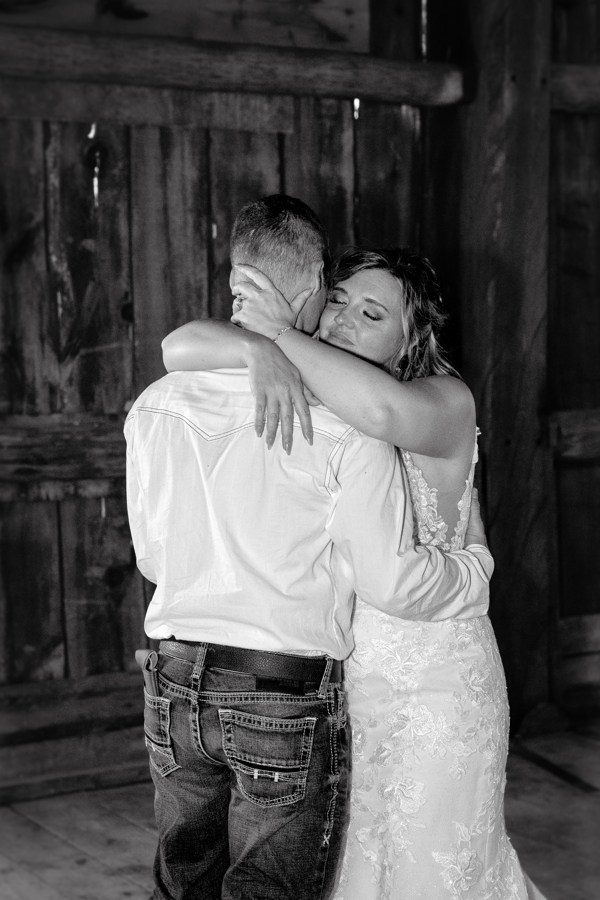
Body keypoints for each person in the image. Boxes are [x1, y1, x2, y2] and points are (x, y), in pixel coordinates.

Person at [126, 194, 494, 900]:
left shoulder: (157, 402)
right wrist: (262, 344)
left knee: (189, 880)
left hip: (407, 677)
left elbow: (151, 557)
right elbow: (389, 579)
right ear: (314, 295)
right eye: (339, 301)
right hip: (292, 686)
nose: (345, 321)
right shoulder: (336, 425)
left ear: (413, 337)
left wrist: (270, 338)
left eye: (372, 314)